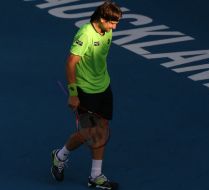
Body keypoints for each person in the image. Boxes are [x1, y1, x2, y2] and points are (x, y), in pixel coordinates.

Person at [50, 1, 122, 189]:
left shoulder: (107, 31)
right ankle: (60, 156)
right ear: (101, 19)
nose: (114, 27)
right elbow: (70, 63)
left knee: (102, 128)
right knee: (88, 133)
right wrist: (73, 93)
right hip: (85, 91)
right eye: (112, 23)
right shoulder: (85, 35)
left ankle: (95, 176)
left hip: (104, 87)